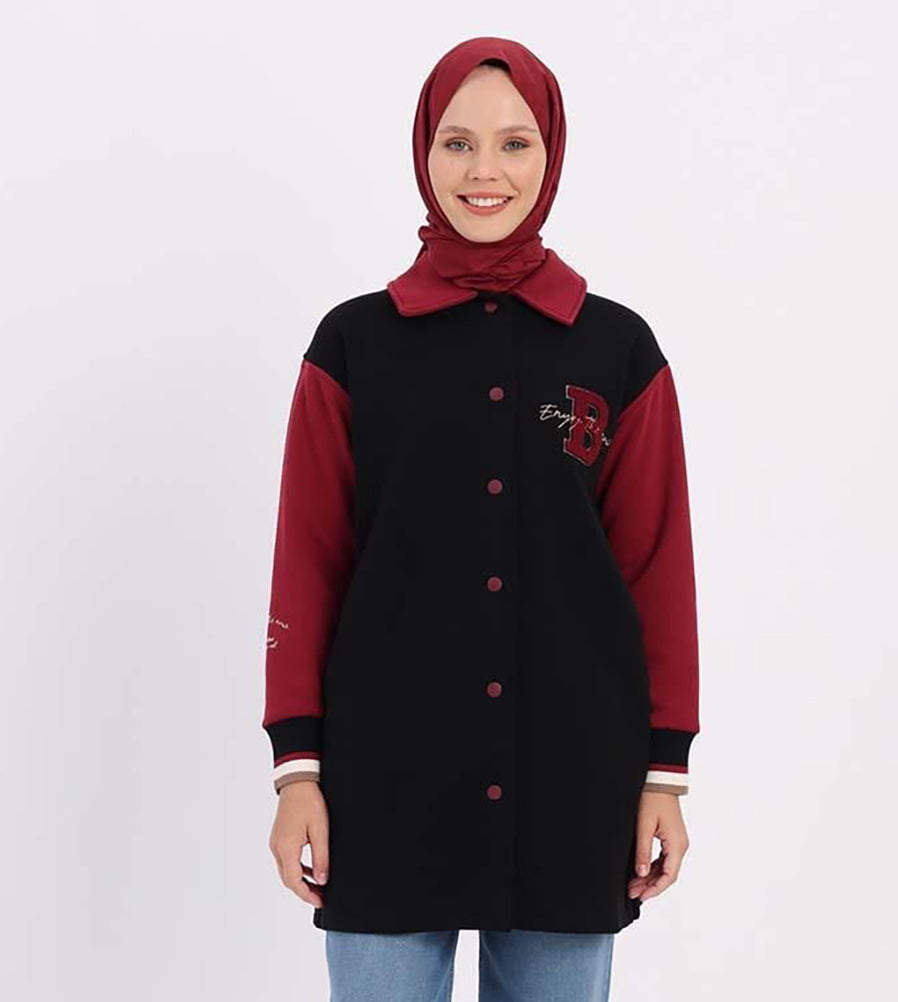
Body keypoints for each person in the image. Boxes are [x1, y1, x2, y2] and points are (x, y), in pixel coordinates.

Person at [262, 36, 700, 1002]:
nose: (484, 171)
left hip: (572, 779)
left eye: (514, 143)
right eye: (457, 143)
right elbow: (310, 561)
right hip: (383, 778)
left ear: (552, 155)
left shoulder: (618, 349)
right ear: (423, 150)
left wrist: (663, 773)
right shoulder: (352, 345)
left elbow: (656, 568)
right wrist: (298, 771)